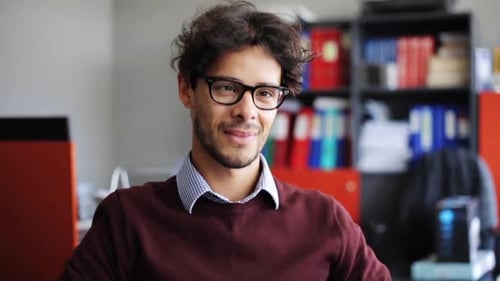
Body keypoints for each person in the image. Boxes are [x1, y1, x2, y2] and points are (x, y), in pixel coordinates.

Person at [60, 1, 391, 280]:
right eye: (228, 88)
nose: (246, 112)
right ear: (187, 89)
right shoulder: (127, 220)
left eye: (264, 93)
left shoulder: (324, 219)